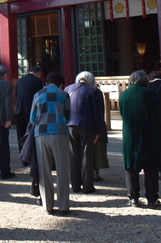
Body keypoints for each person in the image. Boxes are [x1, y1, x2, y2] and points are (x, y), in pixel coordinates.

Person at [29, 71, 71, 216]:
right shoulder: (64, 94)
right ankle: (64, 205)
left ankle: (48, 205)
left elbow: (32, 118)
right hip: (60, 132)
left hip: (41, 133)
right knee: (62, 170)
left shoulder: (37, 94)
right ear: (61, 83)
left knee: (44, 170)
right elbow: (68, 115)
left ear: (46, 81)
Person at [119, 69, 161, 209]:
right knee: (151, 166)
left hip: (130, 133)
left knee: (131, 165)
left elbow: (122, 114)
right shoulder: (152, 95)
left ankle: (133, 198)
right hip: (149, 133)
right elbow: (158, 114)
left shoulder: (124, 95)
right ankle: (152, 198)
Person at [64, 71, 102, 194]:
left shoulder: (67, 89)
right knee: (87, 155)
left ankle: (75, 185)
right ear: (90, 81)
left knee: (73, 155)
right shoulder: (92, 91)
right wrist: (98, 131)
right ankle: (87, 186)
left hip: (70, 125)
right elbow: (97, 113)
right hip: (87, 125)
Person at [14, 65, 43, 156]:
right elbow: (40, 97)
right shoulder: (37, 81)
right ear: (38, 73)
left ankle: (22, 155)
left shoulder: (20, 81)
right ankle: (31, 156)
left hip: (19, 110)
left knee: (21, 134)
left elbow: (17, 95)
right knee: (31, 134)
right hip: (30, 110)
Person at [92, 84, 109, 182]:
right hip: (97, 122)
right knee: (97, 150)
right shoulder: (96, 92)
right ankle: (96, 173)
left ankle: (93, 172)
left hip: (86, 123)